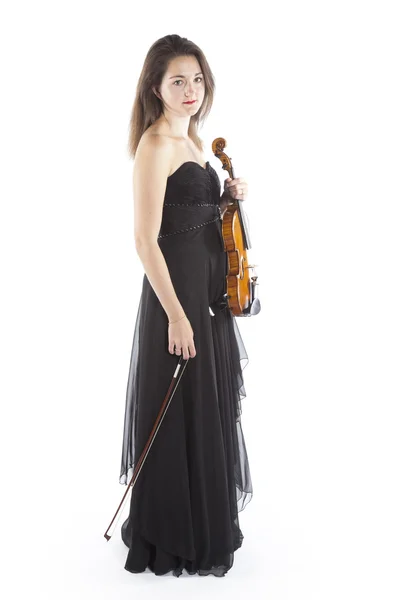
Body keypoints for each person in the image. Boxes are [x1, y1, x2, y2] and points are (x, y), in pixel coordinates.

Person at [119, 33, 253, 578]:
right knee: (175, 411)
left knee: (205, 406)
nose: (190, 89)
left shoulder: (196, 140)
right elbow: (146, 241)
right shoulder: (155, 146)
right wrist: (175, 314)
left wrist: (230, 197)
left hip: (210, 298)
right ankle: (171, 536)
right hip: (176, 302)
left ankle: (204, 523)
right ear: (156, 86)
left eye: (197, 79)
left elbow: (195, 218)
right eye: (178, 80)